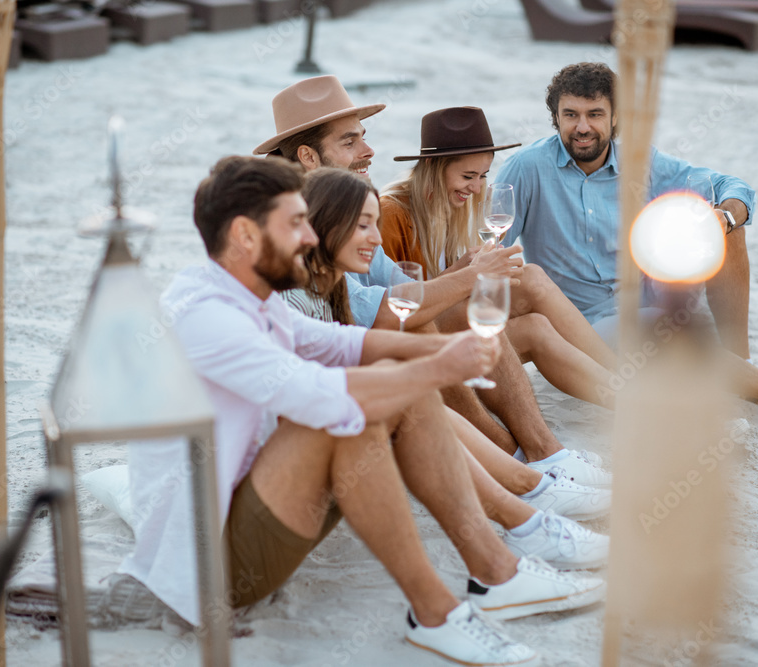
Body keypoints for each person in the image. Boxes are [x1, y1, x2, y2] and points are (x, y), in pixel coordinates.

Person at [120, 156, 607, 666]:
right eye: (295, 224)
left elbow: (335, 340)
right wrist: (437, 368)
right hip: (212, 565)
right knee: (354, 409)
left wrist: (438, 355)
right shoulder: (207, 317)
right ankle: (462, 593)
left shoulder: (243, 292)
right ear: (244, 234)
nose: (309, 239)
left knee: (384, 393)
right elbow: (319, 391)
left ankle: (495, 570)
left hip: (258, 502)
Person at [254, 75, 615, 486]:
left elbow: (392, 282)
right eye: (350, 142)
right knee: (462, 318)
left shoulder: (334, 205)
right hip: (341, 379)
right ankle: (525, 460)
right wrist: (471, 278)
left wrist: (465, 270)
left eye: (363, 138)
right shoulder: (296, 227)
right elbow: (387, 312)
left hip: (374, 351)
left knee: (518, 298)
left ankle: (566, 437)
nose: (369, 151)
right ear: (309, 156)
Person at [496, 62, 758, 439]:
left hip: (651, 297)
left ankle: (742, 366)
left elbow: (731, 185)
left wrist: (724, 217)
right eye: (570, 115)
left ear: (616, 118)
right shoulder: (526, 169)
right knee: (662, 331)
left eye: (594, 114)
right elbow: (487, 249)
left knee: (726, 229)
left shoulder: (640, 161)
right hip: (584, 323)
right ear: (556, 117)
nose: (582, 127)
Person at [281, 166, 612, 569]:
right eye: (363, 225)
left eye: (484, 175)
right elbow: (389, 314)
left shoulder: (321, 286)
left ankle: (535, 478)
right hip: (294, 477)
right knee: (407, 388)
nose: (375, 236)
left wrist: (444, 350)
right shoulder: (296, 293)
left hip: (327, 427)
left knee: (522, 322)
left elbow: (365, 330)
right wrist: (467, 288)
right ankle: (526, 482)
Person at [380, 106, 620, 411]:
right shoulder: (391, 214)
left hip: (449, 321)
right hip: (419, 341)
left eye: (482, 176)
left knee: (531, 276)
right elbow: (392, 308)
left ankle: (624, 382)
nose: (477, 188)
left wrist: (484, 273)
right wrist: (463, 272)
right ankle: (636, 404)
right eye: (468, 176)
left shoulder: (452, 208)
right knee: (535, 328)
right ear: (432, 166)